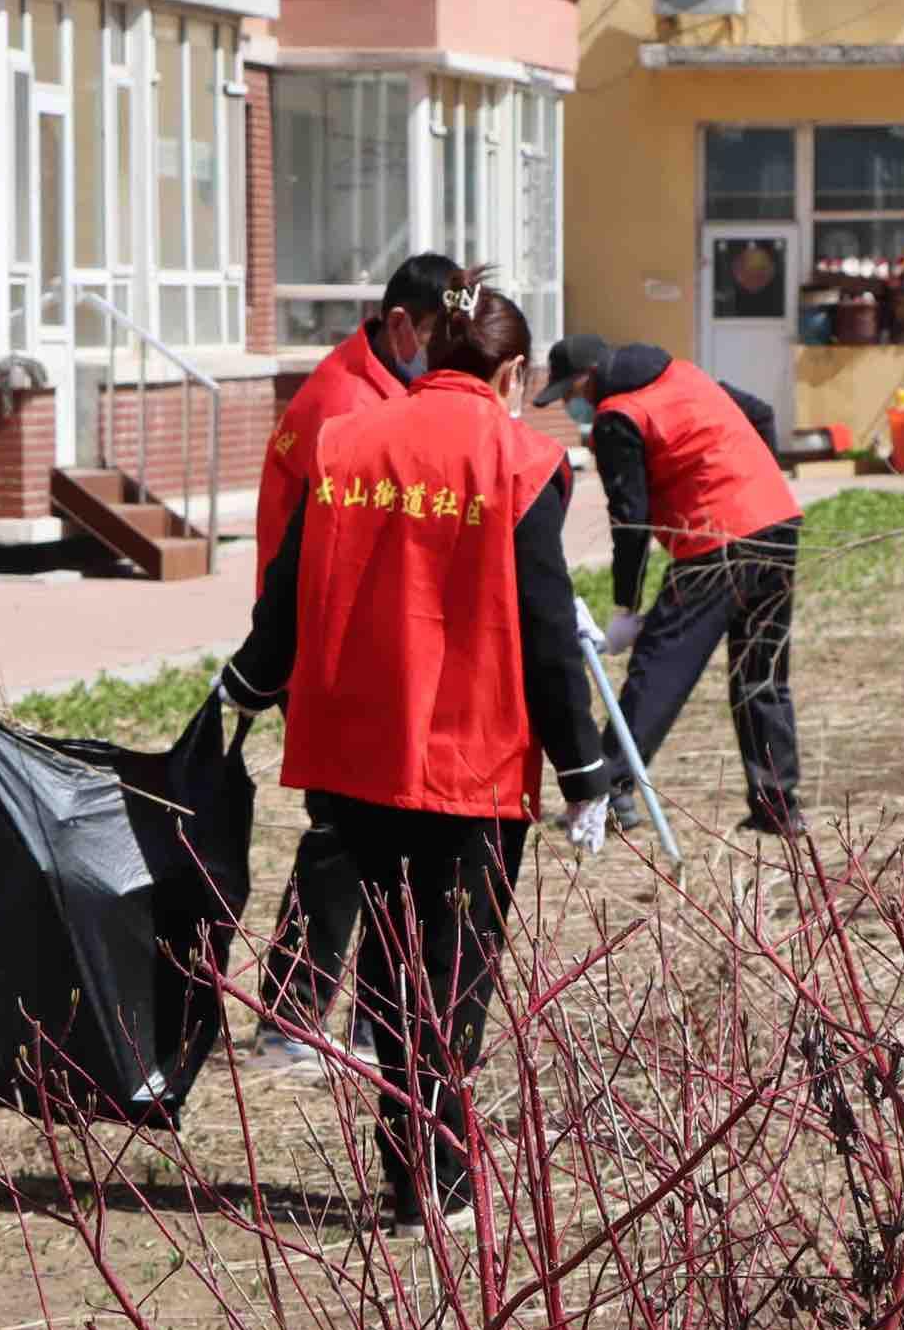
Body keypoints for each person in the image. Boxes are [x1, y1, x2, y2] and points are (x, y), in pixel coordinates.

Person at [220, 271, 612, 1233]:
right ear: (511, 370)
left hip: (355, 749)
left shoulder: (349, 441)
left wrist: (247, 678)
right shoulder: (518, 461)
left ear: (431, 348)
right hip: (467, 761)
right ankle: (434, 1182)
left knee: (390, 974)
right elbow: (545, 626)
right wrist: (585, 770)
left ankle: (413, 1180)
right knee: (452, 977)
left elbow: (287, 585)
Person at [242, 253, 462, 1074]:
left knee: (395, 834)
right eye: (437, 339)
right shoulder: (342, 402)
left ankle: (377, 1021)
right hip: (327, 654)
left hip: (378, 649)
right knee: (340, 835)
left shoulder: (387, 389)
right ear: (402, 324)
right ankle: (289, 1016)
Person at [533, 334, 805, 837]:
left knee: (658, 669)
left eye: (572, 392)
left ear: (590, 377)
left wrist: (626, 607)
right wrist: (750, 485)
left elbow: (630, 519)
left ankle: (611, 790)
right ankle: (778, 805)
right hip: (777, 525)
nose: (575, 404)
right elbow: (762, 413)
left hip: (714, 544)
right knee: (761, 674)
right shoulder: (686, 374)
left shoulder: (619, 416)